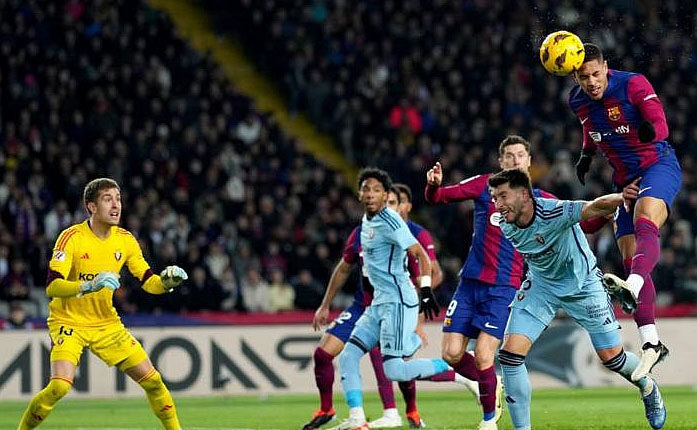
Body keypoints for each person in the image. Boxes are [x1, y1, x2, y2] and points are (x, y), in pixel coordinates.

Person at [488, 168, 666, 430]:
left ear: (524, 194)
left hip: (583, 285)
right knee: (510, 356)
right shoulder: (503, 221)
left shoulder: (553, 211)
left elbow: (593, 207)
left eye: (503, 196)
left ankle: (647, 385)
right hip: (541, 287)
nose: (498, 204)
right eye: (494, 198)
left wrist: (621, 197)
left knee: (612, 358)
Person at [16, 178, 188, 430]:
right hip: (68, 321)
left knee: (153, 382)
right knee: (60, 386)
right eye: (108, 199)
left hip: (106, 323)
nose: (116, 205)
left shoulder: (125, 240)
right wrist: (89, 285)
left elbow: (149, 281)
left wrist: (166, 282)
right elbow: (53, 287)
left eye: (118, 199)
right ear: (92, 207)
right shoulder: (71, 237)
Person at [306, 185, 475, 430]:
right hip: (364, 306)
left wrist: (415, 313)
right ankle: (341, 413)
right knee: (331, 354)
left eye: (396, 202)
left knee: (393, 366)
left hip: (393, 307)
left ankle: (400, 411)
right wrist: (325, 304)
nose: (390, 207)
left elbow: (423, 273)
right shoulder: (363, 231)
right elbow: (344, 267)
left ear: (405, 206)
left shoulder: (406, 236)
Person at [569, 42, 680, 379]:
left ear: (606, 67)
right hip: (624, 181)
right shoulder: (577, 100)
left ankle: (631, 285)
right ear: (575, 77)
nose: (591, 82)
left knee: (646, 218)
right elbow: (590, 126)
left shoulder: (633, 84)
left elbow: (660, 123)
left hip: (658, 166)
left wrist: (650, 130)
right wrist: (587, 154)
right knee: (631, 256)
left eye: (596, 74)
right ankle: (652, 343)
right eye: (584, 77)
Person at [335, 168, 453, 430]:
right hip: (379, 303)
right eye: (366, 189)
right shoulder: (366, 222)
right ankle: (357, 419)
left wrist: (426, 291)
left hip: (398, 302)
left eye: (376, 190)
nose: (370, 194)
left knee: (394, 371)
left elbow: (421, 255)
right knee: (348, 356)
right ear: (359, 194)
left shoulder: (391, 222)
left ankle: (457, 368)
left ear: (385, 195)